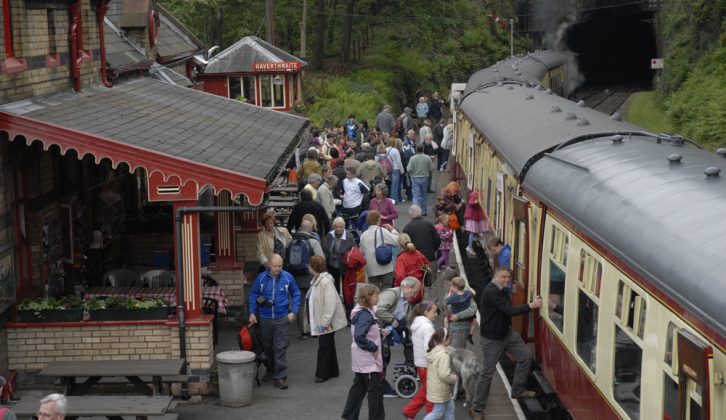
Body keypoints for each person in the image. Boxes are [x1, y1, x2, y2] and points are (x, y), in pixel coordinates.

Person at [469, 268, 542, 419]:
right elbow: (509, 310)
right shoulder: (492, 291)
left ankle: (518, 390)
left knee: (526, 356)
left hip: (506, 334)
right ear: (496, 276)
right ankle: (477, 409)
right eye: (503, 277)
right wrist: (531, 306)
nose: (507, 280)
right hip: (492, 339)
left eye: (509, 277)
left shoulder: (500, 289)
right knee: (487, 374)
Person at [248, 254, 302, 390]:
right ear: (269, 265)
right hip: (265, 318)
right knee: (267, 346)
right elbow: (254, 294)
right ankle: (271, 369)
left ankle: (280, 376)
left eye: (280, 266)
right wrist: (252, 312)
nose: (277, 269)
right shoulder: (261, 278)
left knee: (280, 347)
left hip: (282, 318)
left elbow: (296, 293)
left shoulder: (287, 277)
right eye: (275, 266)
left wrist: (293, 312)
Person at [341, 284, 386, 420]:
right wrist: (373, 346)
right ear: (368, 297)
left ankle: (349, 416)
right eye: (376, 295)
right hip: (369, 360)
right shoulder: (365, 315)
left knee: (358, 388)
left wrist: (377, 332)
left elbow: (361, 332)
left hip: (361, 359)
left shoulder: (360, 311)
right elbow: (359, 336)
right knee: (375, 392)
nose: (378, 298)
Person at [375, 277, 422, 397]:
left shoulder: (406, 301)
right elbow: (378, 310)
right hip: (377, 329)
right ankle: (379, 387)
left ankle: (378, 384)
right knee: (383, 357)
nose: (416, 294)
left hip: (386, 330)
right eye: (415, 291)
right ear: (407, 288)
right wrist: (392, 320)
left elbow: (405, 319)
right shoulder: (392, 294)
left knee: (386, 356)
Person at [307, 255, 348, 383]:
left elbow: (330, 304)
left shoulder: (324, 281)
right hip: (324, 320)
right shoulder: (318, 280)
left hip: (325, 321)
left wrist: (324, 323)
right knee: (328, 345)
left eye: (309, 265)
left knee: (324, 347)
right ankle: (333, 370)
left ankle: (322, 373)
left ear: (314, 267)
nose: (308, 267)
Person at [287, 220, 325, 339]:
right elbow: (321, 260)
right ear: (311, 229)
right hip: (310, 278)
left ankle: (303, 331)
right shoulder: (313, 242)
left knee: (300, 303)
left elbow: (285, 259)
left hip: (294, 278)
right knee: (313, 303)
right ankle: (314, 329)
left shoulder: (290, 242)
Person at [402, 301, 437, 419]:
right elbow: (429, 347)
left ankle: (410, 411)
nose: (436, 314)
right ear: (426, 312)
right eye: (434, 311)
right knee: (432, 392)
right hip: (428, 364)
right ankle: (430, 415)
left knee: (426, 389)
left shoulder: (417, 324)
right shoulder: (427, 327)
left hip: (420, 363)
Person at [403, 205, 441, 299]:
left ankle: (420, 304)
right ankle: (432, 305)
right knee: (430, 283)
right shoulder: (429, 224)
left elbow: (404, 244)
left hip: (414, 262)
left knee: (417, 284)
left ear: (411, 214)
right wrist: (432, 249)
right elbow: (437, 240)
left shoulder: (408, 227)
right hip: (430, 259)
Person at [359, 210, 399, 290]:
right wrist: (392, 230)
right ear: (379, 220)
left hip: (371, 269)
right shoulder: (382, 231)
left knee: (374, 291)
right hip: (385, 267)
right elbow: (396, 241)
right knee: (387, 289)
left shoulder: (363, 235)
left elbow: (361, 252)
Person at [423, 328, 457, 420]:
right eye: (449, 339)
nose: (450, 341)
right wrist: (454, 378)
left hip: (436, 387)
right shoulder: (443, 355)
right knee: (438, 412)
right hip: (441, 389)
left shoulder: (433, 351)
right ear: (444, 340)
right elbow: (444, 375)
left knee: (450, 408)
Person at [322, 217, 356, 293]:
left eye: (341, 227)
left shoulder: (349, 236)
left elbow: (354, 251)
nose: (338, 229)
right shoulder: (329, 235)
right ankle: (336, 302)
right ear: (333, 227)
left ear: (344, 226)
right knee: (334, 286)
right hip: (332, 265)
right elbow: (326, 249)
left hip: (345, 265)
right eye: (336, 227)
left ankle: (347, 304)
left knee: (346, 287)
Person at [393, 233, 430, 303]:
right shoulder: (418, 253)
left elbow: (400, 276)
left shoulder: (401, 258)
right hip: (420, 287)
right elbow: (428, 266)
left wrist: (397, 288)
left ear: (400, 245)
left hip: (409, 291)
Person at [444, 276, 478, 349]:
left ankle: (446, 333)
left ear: (455, 287)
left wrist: (450, 291)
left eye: (451, 286)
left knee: (457, 350)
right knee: (474, 322)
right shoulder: (467, 294)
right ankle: (470, 335)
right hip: (467, 319)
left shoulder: (453, 298)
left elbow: (446, 301)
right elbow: (474, 292)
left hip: (458, 324)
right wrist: (467, 286)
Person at [407, 145, 436, 215]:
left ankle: (415, 212)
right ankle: (424, 211)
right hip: (425, 178)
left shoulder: (413, 158)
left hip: (415, 178)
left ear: (416, 150)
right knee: (424, 195)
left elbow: (408, 169)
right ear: (423, 149)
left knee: (416, 195)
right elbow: (432, 168)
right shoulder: (427, 157)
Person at [464, 191, 492, 257]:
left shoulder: (477, 194)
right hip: (472, 217)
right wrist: (476, 202)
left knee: (474, 231)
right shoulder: (475, 195)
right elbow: (471, 203)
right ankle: (470, 246)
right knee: (473, 232)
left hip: (474, 217)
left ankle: (475, 240)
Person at [384, 134, 405, 203]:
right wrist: (402, 171)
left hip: (387, 168)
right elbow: (399, 162)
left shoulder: (385, 149)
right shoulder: (395, 150)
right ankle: (394, 199)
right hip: (395, 168)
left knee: (389, 183)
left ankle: (389, 198)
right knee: (395, 184)